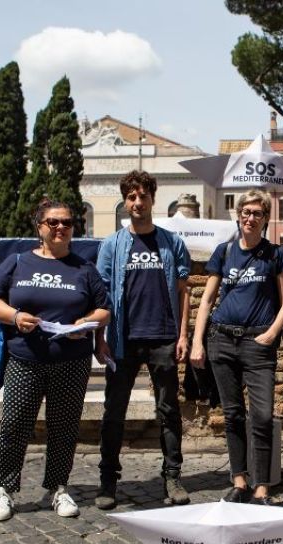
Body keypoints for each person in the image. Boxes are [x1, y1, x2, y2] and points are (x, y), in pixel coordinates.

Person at [0, 199, 110, 522]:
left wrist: (84, 324)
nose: (60, 228)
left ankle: (58, 487)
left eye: (66, 222)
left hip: (72, 361)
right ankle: (4, 489)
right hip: (25, 359)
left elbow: (104, 309)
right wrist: (15, 316)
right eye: (53, 222)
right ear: (39, 227)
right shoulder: (17, 263)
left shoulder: (84, 269)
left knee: (64, 426)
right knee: (14, 425)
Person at [94, 170, 192, 509]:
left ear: (153, 199)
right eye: (131, 197)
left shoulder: (171, 243)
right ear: (126, 201)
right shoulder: (112, 245)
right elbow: (102, 297)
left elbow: (183, 292)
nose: (137, 203)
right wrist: (99, 338)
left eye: (143, 197)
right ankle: (108, 480)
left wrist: (183, 335)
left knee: (168, 410)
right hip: (122, 339)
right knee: (114, 411)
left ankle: (172, 475)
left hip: (163, 337)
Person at [190, 190, 283, 505]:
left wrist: (272, 333)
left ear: (265, 218)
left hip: (258, 342)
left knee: (261, 416)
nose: (251, 218)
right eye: (246, 212)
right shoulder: (224, 252)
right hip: (221, 339)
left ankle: (262, 485)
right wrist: (197, 341)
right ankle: (239, 481)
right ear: (238, 215)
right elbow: (207, 299)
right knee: (233, 414)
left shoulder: (276, 255)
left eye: (257, 213)